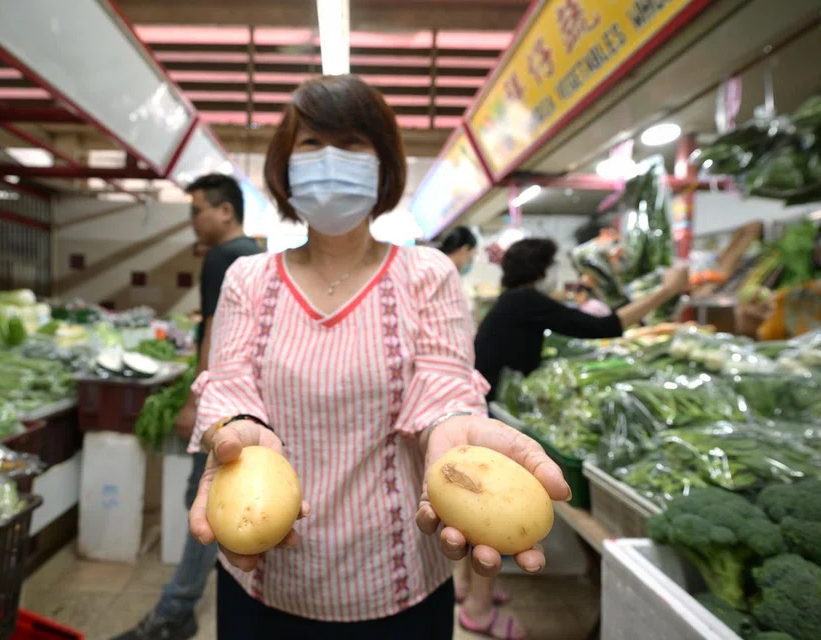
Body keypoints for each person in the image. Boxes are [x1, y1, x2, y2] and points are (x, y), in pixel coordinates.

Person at [184, 75, 569, 640]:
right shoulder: (249, 278)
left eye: (354, 143)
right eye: (312, 143)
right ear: (284, 167)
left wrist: (453, 426)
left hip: (397, 580)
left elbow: (445, 382)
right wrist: (238, 427)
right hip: (267, 574)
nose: (331, 159)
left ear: (385, 165)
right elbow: (230, 381)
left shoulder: (427, 274)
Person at [114, 173, 262, 640]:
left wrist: (198, 402)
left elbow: (218, 332)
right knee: (208, 496)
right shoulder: (256, 256)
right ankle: (187, 603)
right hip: (249, 398)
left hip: (223, 400)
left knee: (206, 500)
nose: (192, 220)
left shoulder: (223, 256)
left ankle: (175, 609)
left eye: (197, 209)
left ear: (225, 211)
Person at [475, 238, 688, 397]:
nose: (555, 271)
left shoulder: (513, 299)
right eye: (552, 265)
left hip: (492, 392)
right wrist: (666, 291)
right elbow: (603, 327)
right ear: (538, 269)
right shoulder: (525, 300)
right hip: (496, 398)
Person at [437, 229, 519, 638]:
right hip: (461, 405)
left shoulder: (439, 276)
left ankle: (467, 589)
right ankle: (477, 606)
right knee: (480, 506)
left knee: (467, 505)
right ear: (466, 250)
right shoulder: (442, 275)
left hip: (458, 405)